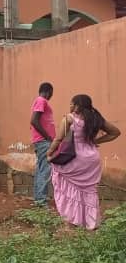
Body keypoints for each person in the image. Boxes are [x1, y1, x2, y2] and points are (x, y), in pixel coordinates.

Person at [46, 94, 120, 230]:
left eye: (71, 103)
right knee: (89, 191)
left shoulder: (69, 118)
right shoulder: (96, 119)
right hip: (92, 160)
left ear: (77, 106)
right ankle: (90, 222)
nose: (70, 106)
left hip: (75, 158)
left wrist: (49, 153)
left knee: (66, 184)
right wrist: (95, 141)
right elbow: (115, 132)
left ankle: (71, 222)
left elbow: (58, 139)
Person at [29, 82, 56, 207]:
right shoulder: (42, 101)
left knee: (41, 169)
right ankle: (41, 201)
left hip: (40, 141)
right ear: (49, 91)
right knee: (45, 170)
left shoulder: (39, 101)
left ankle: (38, 199)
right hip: (43, 141)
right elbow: (34, 121)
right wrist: (48, 137)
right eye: (51, 93)